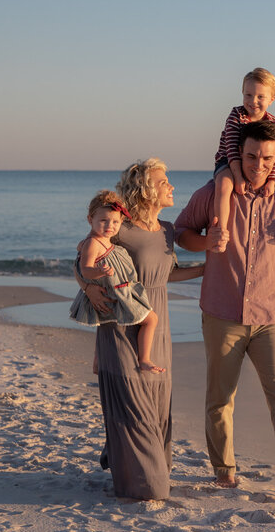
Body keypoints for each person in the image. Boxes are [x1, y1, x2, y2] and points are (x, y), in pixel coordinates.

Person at [175, 119, 275, 495]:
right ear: (240, 154)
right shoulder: (213, 193)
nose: (258, 164)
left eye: (266, 158)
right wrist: (208, 244)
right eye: (252, 155)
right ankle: (224, 470)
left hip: (271, 316)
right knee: (220, 398)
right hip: (222, 314)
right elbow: (181, 232)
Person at [78, 159, 204, 501]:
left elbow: (164, 277)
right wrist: (88, 288)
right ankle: (142, 484)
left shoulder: (167, 230)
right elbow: (85, 258)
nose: (171, 187)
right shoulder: (120, 228)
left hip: (156, 323)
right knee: (134, 406)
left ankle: (145, 473)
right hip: (121, 326)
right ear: (146, 189)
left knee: (156, 405)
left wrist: (206, 269)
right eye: (164, 181)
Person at [70, 190, 164, 373]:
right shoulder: (93, 243)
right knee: (151, 319)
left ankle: (97, 361)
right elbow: (85, 269)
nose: (109, 226)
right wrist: (98, 272)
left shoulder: (103, 241)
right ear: (90, 220)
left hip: (115, 289)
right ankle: (144, 359)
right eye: (103, 221)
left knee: (103, 326)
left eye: (115, 222)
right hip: (115, 294)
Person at [210, 67, 275, 253]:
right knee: (225, 184)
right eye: (248, 95)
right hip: (228, 160)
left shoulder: (273, 122)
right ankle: (221, 231)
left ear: (271, 99)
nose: (253, 101)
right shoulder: (236, 116)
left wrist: (273, 180)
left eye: (260, 97)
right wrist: (238, 177)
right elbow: (232, 149)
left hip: (262, 163)